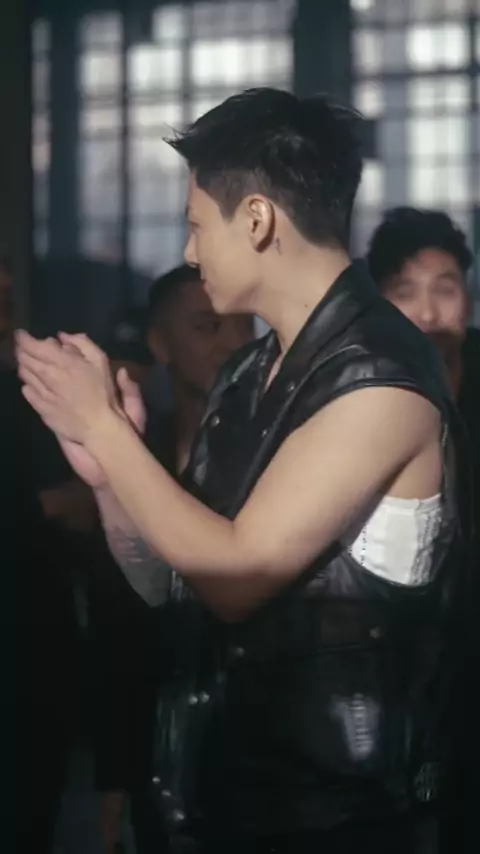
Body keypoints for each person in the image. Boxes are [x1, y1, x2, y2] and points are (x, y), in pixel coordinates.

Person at [17, 88, 468, 854]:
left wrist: (105, 428)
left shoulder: (381, 379)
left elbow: (234, 575)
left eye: (197, 225)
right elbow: (169, 580)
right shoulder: (245, 375)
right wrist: (108, 476)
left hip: (342, 826)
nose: (190, 252)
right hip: (229, 807)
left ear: (256, 219)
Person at [90, 264, 253, 854]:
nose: (231, 344)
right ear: (160, 345)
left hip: (261, 754)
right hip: (158, 751)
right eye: (208, 327)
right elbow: (117, 626)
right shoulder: (137, 455)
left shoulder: (282, 458)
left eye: (243, 327)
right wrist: (114, 776)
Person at [366, 207, 480, 854]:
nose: (429, 313)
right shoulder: (366, 395)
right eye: (406, 292)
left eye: (445, 288)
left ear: (470, 296)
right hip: (404, 661)